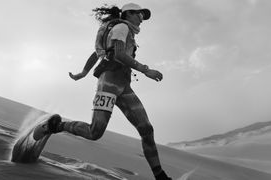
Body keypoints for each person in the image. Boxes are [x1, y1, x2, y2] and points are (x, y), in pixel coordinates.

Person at [34, 3, 172, 180]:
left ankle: (160, 176)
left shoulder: (116, 28)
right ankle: (54, 125)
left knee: (146, 129)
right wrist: (146, 70)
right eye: (139, 14)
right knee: (95, 132)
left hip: (123, 84)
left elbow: (97, 52)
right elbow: (119, 55)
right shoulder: (122, 27)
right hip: (109, 82)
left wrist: (83, 73)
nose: (141, 19)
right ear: (128, 14)